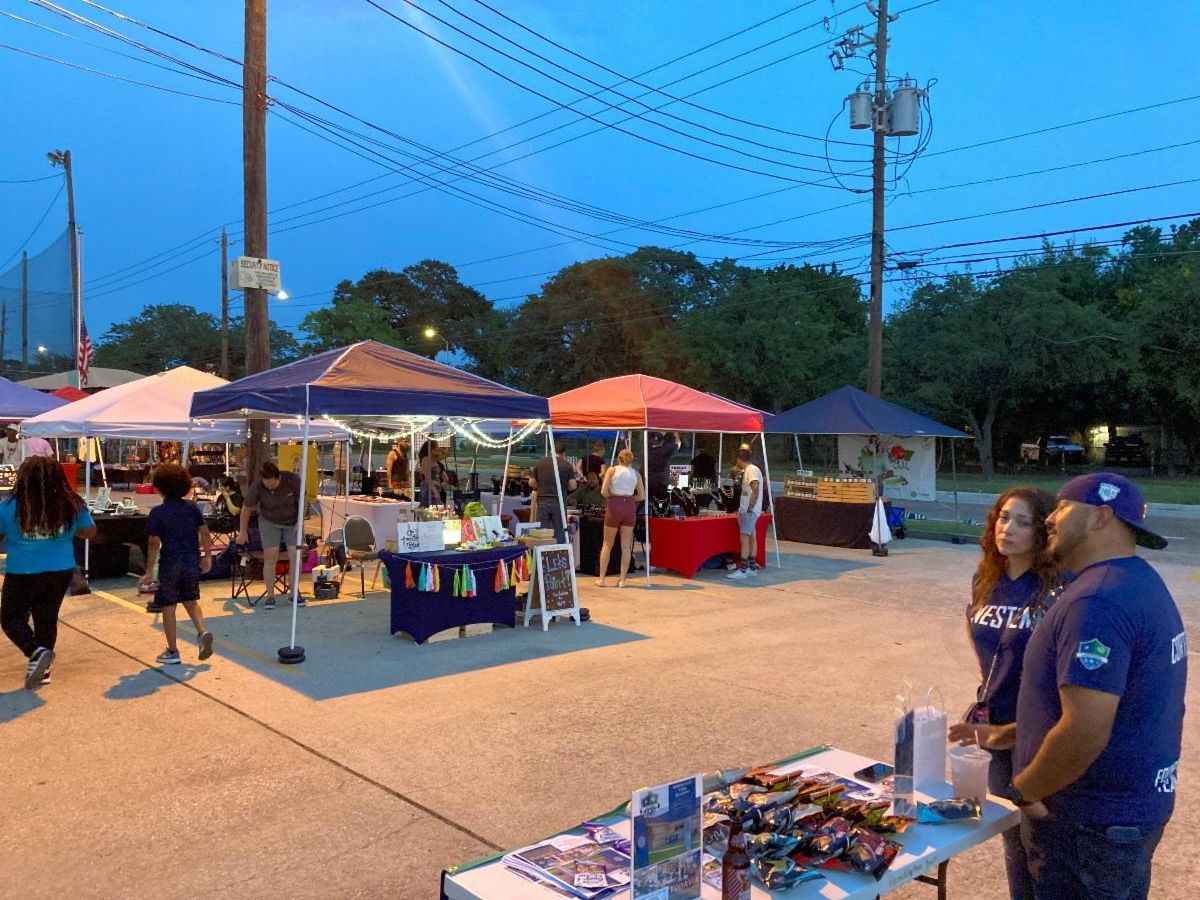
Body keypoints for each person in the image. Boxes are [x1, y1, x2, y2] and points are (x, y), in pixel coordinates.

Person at [996, 473, 1185, 900]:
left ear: (1100, 517)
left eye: (1063, 507)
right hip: (1123, 815)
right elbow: (1127, 703)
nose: (1050, 518)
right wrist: (1019, 731)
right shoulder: (1137, 579)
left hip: (1087, 824)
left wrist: (1025, 791)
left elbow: (1085, 730)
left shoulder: (1097, 601)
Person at [947, 487, 1062, 900]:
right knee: (1012, 837)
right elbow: (982, 643)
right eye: (1003, 517)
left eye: (1022, 522)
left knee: (1044, 844)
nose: (1007, 528)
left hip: (1039, 731)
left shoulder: (1056, 588)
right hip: (993, 729)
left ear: (1042, 533)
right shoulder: (986, 579)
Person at [0, 456, 96, 689]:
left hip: (22, 570)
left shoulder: (9, 507)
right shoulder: (71, 504)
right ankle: (43, 669)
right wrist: (65, 532)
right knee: (46, 618)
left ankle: (35, 652)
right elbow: (89, 531)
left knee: (11, 618)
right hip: (59, 570)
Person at [138, 463, 214, 665]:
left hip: (170, 562)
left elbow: (153, 542)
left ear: (160, 487)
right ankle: (202, 631)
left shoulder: (158, 513)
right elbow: (205, 532)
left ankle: (173, 650)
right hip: (191, 560)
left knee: (168, 605)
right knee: (191, 600)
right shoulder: (192, 508)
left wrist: (148, 571)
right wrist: (207, 556)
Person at [237, 460, 303, 610]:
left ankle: (294, 594)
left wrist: (300, 521)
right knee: (270, 556)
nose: (270, 487)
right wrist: (243, 531)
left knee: (295, 555)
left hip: (292, 522)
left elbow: (302, 500)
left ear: (279, 477)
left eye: (273, 484)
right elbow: (246, 508)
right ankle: (270, 596)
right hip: (269, 522)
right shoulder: (257, 486)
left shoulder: (292, 480)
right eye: (267, 484)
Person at [597, 448, 645, 588]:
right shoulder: (636, 474)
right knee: (626, 545)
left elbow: (604, 491)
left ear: (619, 458)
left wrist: (613, 497)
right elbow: (641, 496)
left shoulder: (612, 470)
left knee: (607, 544)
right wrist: (629, 498)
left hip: (614, 505)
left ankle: (602, 578)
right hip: (629, 506)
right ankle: (622, 579)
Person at [727, 444, 763, 580]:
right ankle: (751, 568)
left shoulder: (751, 470)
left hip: (750, 511)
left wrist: (749, 508)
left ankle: (742, 570)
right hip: (749, 510)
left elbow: (755, 489)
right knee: (752, 538)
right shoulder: (750, 469)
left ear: (739, 459)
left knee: (744, 539)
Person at [529, 440, 576, 543]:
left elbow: (531, 482)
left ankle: (543, 551)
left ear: (551, 451)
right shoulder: (567, 465)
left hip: (542, 500)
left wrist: (541, 486)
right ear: (564, 453)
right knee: (560, 531)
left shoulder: (540, 463)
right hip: (559, 502)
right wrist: (563, 487)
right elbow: (573, 486)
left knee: (542, 533)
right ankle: (559, 551)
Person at [644, 431, 680, 499]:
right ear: (662, 442)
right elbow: (678, 443)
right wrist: (676, 433)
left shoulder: (647, 450)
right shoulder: (665, 450)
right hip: (660, 482)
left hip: (648, 481)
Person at [417, 439, 440, 506]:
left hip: (433, 488)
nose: (438, 448)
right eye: (437, 446)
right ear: (432, 449)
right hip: (428, 489)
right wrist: (435, 491)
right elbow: (428, 478)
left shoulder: (433, 460)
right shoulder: (426, 459)